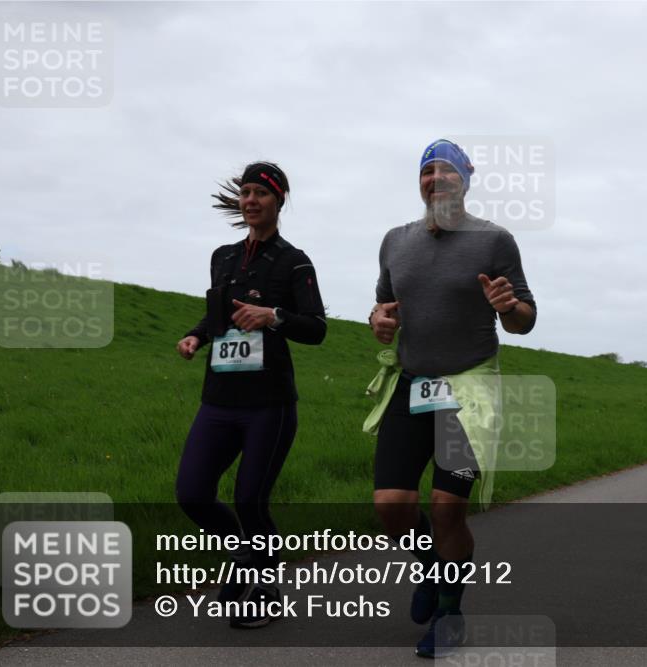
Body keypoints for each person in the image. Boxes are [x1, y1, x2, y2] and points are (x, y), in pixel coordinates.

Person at [364, 139, 537, 658]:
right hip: (412, 383)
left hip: (469, 389)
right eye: (427, 172)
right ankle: (432, 569)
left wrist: (509, 308)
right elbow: (382, 306)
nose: (436, 179)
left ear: (466, 178)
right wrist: (379, 320)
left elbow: (524, 319)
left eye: (447, 171)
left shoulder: (495, 241)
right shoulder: (395, 240)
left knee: (445, 510)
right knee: (391, 507)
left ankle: (449, 611)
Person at [174, 162, 327, 628]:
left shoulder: (294, 261)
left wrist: (273, 315)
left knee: (249, 499)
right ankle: (246, 556)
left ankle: (265, 592)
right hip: (219, 399)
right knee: (192, 493)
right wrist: (196, 337)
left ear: (279, 201)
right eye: (245, 193)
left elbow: (316, 328)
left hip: (269, 405)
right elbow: (217, 314)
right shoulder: (222, 256)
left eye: (261, 193)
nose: (250, 200)